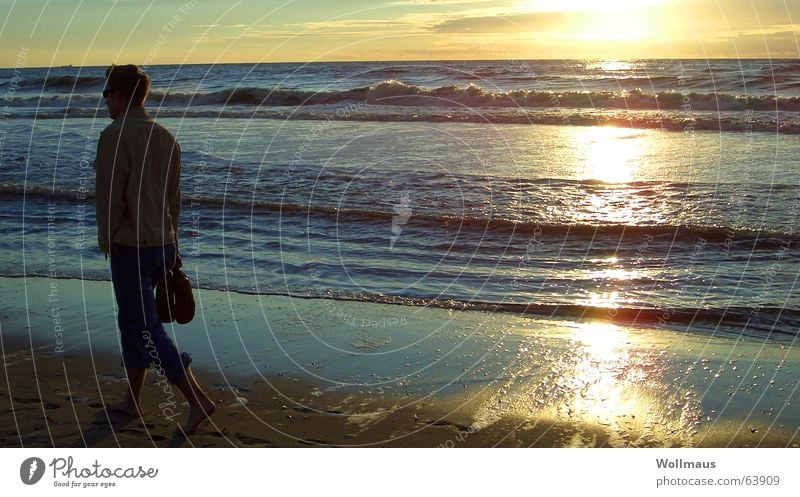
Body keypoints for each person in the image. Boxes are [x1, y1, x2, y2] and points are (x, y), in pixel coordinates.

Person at [95, 64, 216, 435]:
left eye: (106, 95)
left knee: (144, 327)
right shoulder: (166, 137)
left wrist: (107, 239)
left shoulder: (115, 136)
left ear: (118, 95)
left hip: (130, 246)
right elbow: (173, 199)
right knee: (130, 321)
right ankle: (133, 400)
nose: (105, 103)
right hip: (163, 242)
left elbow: (111, 197)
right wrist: (174, 243)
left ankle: (197, 400)